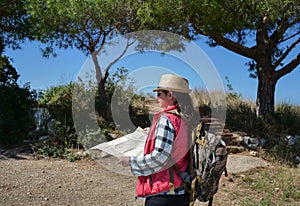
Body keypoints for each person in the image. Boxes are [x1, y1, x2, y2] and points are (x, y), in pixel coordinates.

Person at [119, 74, 198, 206]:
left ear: (170, 95)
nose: (156, 98)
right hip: (182, 191)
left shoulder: (166, 119)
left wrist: (130, 161)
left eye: (159, 93)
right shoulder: (185, 119)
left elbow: (159, 158)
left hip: (165, 195)